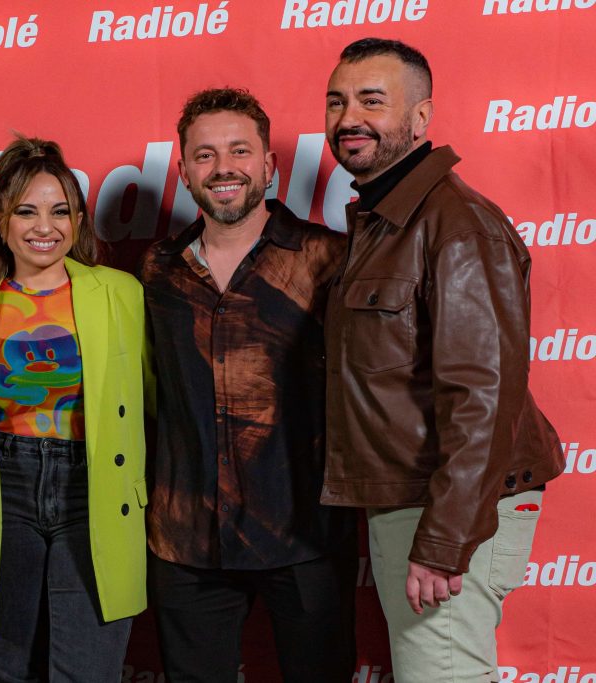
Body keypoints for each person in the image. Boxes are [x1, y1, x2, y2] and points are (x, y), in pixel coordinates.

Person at [321, 38, 565, 683]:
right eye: (337, 102)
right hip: (418, 501)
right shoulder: (385, 220)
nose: (349, 118)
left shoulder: (456, 224)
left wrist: (445, 539)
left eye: (372, 101)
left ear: (421, 117)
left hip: (447, 509)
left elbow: (484, 396)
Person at [139, 88, 357, 682]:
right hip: (187, 539)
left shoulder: (328, 258)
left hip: (305, 532)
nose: (223, 167)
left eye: (239, 150)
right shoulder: (158, 268)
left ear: (269, 163)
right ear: (184, 171)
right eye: (205, 155)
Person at [0, 136, 149, 682]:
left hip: (94, 485)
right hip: (1, 488)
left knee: (89, 670)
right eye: (26, 211)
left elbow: (152, 399)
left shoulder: (121, 294)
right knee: (10, 668)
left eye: (60, 211)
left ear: (78, 221)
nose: (45, 226)